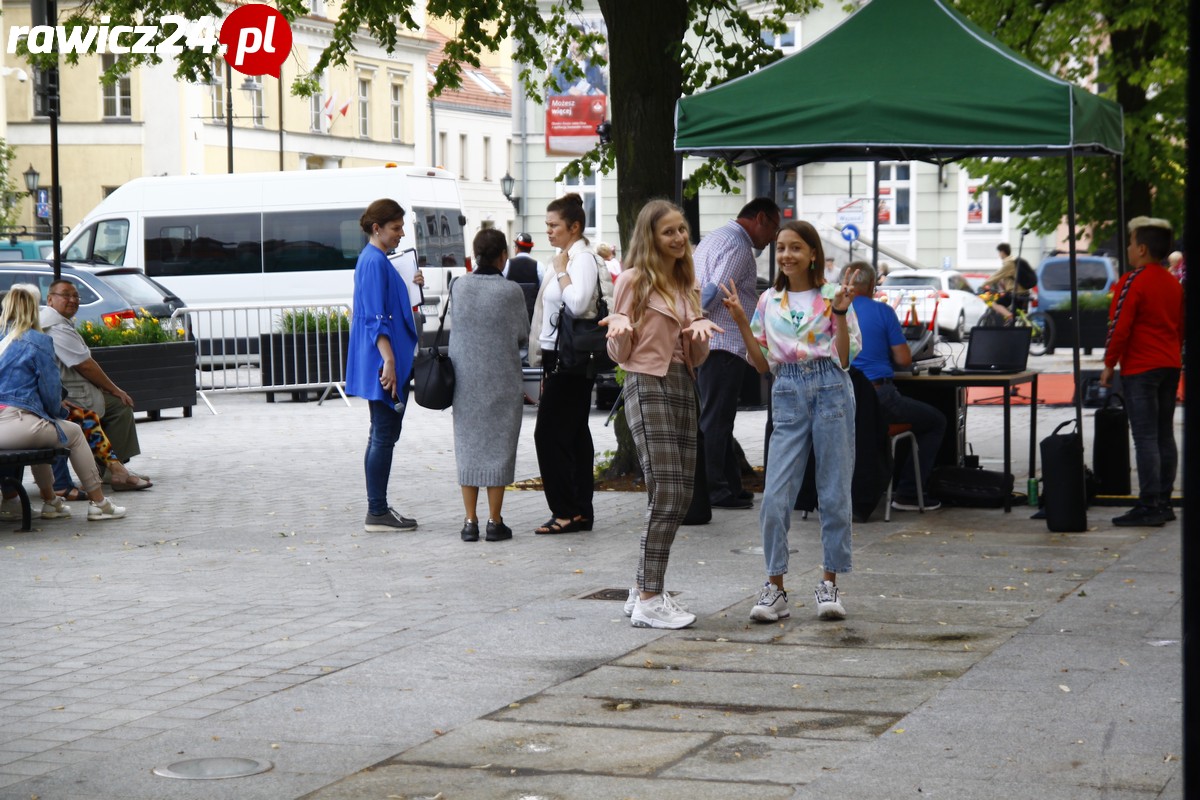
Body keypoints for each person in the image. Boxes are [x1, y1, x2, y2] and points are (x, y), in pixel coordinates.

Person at [720, 220, 861, 624]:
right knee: (775, 496)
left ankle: (829, 583)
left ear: (813, 253)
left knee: (833, 492)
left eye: (796, 247)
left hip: (831, 386)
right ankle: (775, 588)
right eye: (781, 247)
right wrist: (742, 322)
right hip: (787, 390)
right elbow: (763, 364)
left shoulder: (834, 295)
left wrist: (839, 313)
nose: (786, 255)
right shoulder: (768, 300)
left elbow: (847, 358)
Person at [602, 200, 722, 629]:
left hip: (682, 385)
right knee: (669, 491)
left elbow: (696, 355)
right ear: (650, 237)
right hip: (645, 381)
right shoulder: (633, 280)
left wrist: (701, 336)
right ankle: (651, 596)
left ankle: (641, 590)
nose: (678, 238)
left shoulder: (687, 284)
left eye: (682, 230)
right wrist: (619, 332)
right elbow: (620, 350)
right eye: (668, 231)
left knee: (678, 493)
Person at [0, 285, 126, 521]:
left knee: (43, 432)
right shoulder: (38, 341)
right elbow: (50, 391)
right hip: (16, 421)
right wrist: (57, 411)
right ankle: (99, 503)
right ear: (33, 311)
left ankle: (51, 502)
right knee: (74, 433)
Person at [694, 197, 781, 509]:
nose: (773, 238)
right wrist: (691, 320)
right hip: (723, 342)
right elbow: (715, 290)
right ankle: (714, 489)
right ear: (760, 218)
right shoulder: (739, 246)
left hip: (714, 343)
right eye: (773, 229)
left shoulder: (715, 237)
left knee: (720, 417)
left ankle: (730, 483)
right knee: (717, 419)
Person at [531, 192, 611, 534]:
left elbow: (578, 304)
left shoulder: (580, 259)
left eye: (554, 225)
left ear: (574, 227)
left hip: (571, 358)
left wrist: (562, 273)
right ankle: (579, 510)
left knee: (548, 435)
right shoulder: (565, 256)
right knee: (575, 433)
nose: (548, 231)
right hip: (559, 355)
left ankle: (565, 510)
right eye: (546, 225)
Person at [1100, 216, 1184, 527]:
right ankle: (1164, 500)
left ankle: (1148, 505)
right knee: (1164, 434)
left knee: (1145, 437)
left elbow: (1119, 326)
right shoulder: (1173, 283)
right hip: (1170, 363)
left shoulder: (1132, 281)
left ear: (1143, 248)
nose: (1129, 248)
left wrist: (1110, 364)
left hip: (1141, 365)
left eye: (1132, 243)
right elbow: (1181, 326)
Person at [345, 199, 421, 533]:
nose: (402, 234)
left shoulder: (375, 259)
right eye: (396, 228)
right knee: (383, 435)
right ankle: (376, 511)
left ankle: (378, 508)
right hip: (386, 361)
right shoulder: (374, 261)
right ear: (377, 228)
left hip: (386, 359)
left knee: (381, 433)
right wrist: (389, 360)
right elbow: (376, 318)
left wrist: (408, 282)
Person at [451, 230, 529, 543]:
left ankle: (470, 521)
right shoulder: (511, 292)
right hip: (502, 379)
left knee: (467, 448)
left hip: (465, 380)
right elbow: (522, 333)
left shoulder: (460, 286)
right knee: (499, 449)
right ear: (502, 256)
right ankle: (495, 521)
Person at [847, 261, 945, 511]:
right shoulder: (883, 312)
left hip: (842, 403)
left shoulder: (830, 312)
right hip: (879, 398)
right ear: (872, 285)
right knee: (936, 421)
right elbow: (903, 359)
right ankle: (909, 493)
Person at [39, 280, 150, 491]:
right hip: (65, 397)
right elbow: (85, 365)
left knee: (111, 408)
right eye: (66, 295)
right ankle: (113, 471)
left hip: (63, 394)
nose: (72, 300)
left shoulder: (52, 321)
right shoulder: (55, 326)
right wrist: (114, 389)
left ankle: (111, 470)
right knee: (117, 406)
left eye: (76, 296)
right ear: (50, 299)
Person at [504, 232, 542, 324]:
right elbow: (542, 290)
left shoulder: (507, 264)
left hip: (511, 315)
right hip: (531, 316)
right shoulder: (539, 266)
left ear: (516, 248)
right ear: (530, 249)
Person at [982, 243, 1022, 320]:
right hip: (1020, 291)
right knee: (1003, 306)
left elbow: (996, 276)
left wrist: (983, 285)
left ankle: (1011, 318)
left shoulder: (1008, 263)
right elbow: (1005, 279)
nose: (999, 255)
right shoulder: (1013, 260)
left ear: (1003, 252)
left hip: (1016, 292)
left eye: (999, 252)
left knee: (995, 304)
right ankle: (1010, 320)